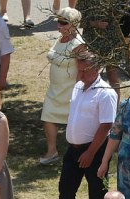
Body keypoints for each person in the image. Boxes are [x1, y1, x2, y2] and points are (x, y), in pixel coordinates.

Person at [46, 51, 117, 199]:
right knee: (66, 188)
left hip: (95, 149)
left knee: (97, 191)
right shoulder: (78, 87)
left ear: (97, 69)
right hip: (74, 149)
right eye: (79, 70)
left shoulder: (105, 92)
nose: (81, 74)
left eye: (85, 70)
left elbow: (106, 125)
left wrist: (91, 152)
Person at [39, 8, 84, 165]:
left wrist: (78, 91)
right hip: (54, 90)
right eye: (58, 22)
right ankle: (52, 152)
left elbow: (81, 70)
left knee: (74, 123)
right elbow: (53, 54)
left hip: (69, 90)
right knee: (47, 117)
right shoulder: (59, 39)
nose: (59, 26)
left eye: (63, 23)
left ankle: (77, 153)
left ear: (73, 24)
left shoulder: (79, 45)